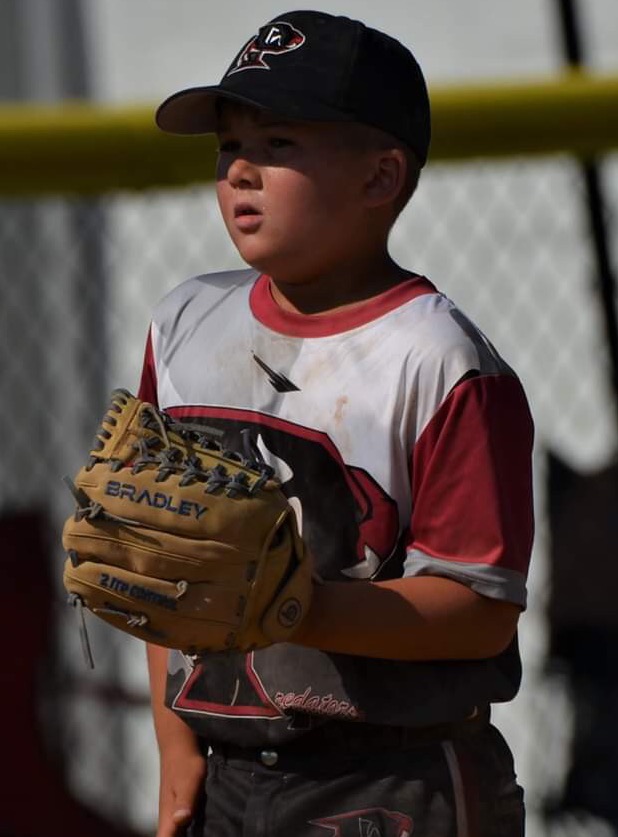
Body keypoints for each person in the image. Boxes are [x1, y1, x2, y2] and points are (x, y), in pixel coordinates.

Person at [139, 10, 534, 837]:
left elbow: (479, 607)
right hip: (229, 770)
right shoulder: (183, 322)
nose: (239, 170)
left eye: (278, 143)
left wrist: (293, 607)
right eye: (228, 145)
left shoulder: (439, 359)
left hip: (394, 773)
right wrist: (176, 744)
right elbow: (161, 562)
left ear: (380, 177)